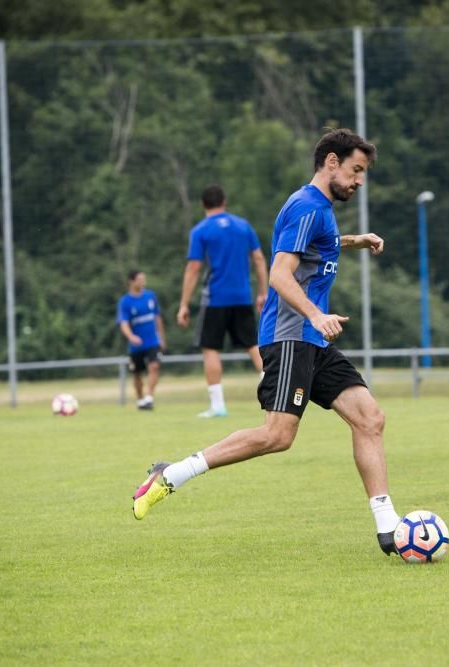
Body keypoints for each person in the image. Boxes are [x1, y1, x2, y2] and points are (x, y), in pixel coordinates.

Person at [131, 129, 401, 556]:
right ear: (331, 162)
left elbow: (311, 249)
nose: (359, 181)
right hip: (292, 335)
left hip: (311, 339)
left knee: (370, 418)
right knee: (278, 435)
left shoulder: (319, 210)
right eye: (356, 170)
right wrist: (316, 314)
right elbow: (278, 274)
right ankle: (172, 474)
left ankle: (390, 529)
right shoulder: (308, 207)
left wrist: (353, 241)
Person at [177, 185, 268, 418]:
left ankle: (218, 406)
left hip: (215, 298)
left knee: (211, 349)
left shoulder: (200, 231)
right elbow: (258, 258)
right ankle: (274, 388)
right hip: (242, 296)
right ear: (224, 201)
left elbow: (194, 267)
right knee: (253, 345)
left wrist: (184, 304)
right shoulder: (243, 226)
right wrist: (263, 292)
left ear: (203, 204)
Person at [117, 270, 166, 410]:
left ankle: (149, 397)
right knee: (137, 373)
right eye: (139, 279)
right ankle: (140, 400)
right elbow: (123, 323)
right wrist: (131, 337)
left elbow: (157, 318)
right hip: (136, 345)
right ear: (131, 282)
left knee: (155, 366)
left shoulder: (150, 296)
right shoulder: (125, 301)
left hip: (153, 342)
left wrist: (161, 337)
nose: (142, 282)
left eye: (144, 279)